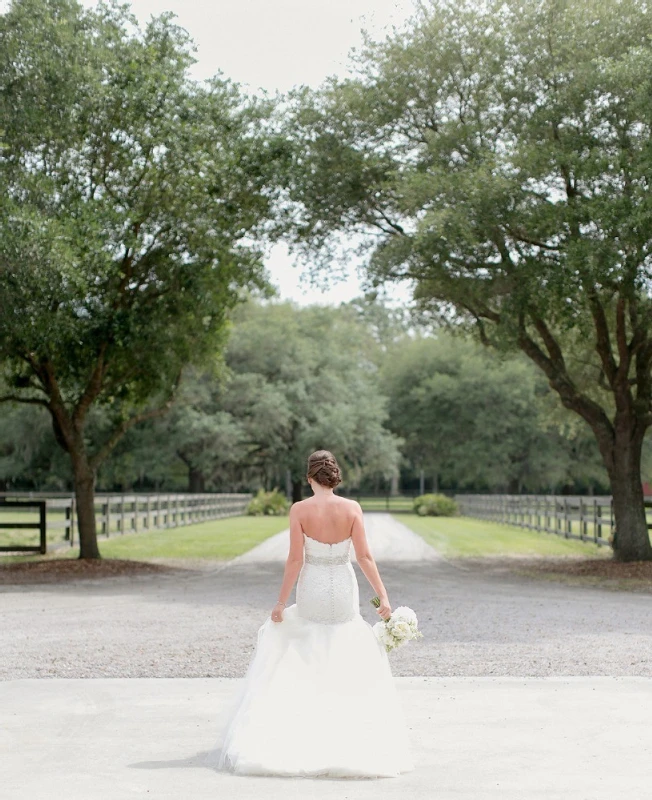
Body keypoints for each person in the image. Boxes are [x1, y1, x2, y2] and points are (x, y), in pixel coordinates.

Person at [207, 449, 415, 778]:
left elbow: (295, 560)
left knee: (305, 645)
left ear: (309, 478)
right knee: (344, 642)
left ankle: (300, 728)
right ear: (334, 476)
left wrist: (279, 603)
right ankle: (348, 732)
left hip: (313, 587)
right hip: (343, 588)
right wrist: (383, 596)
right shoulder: (352, 508)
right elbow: (364, 556)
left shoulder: (299, 510)